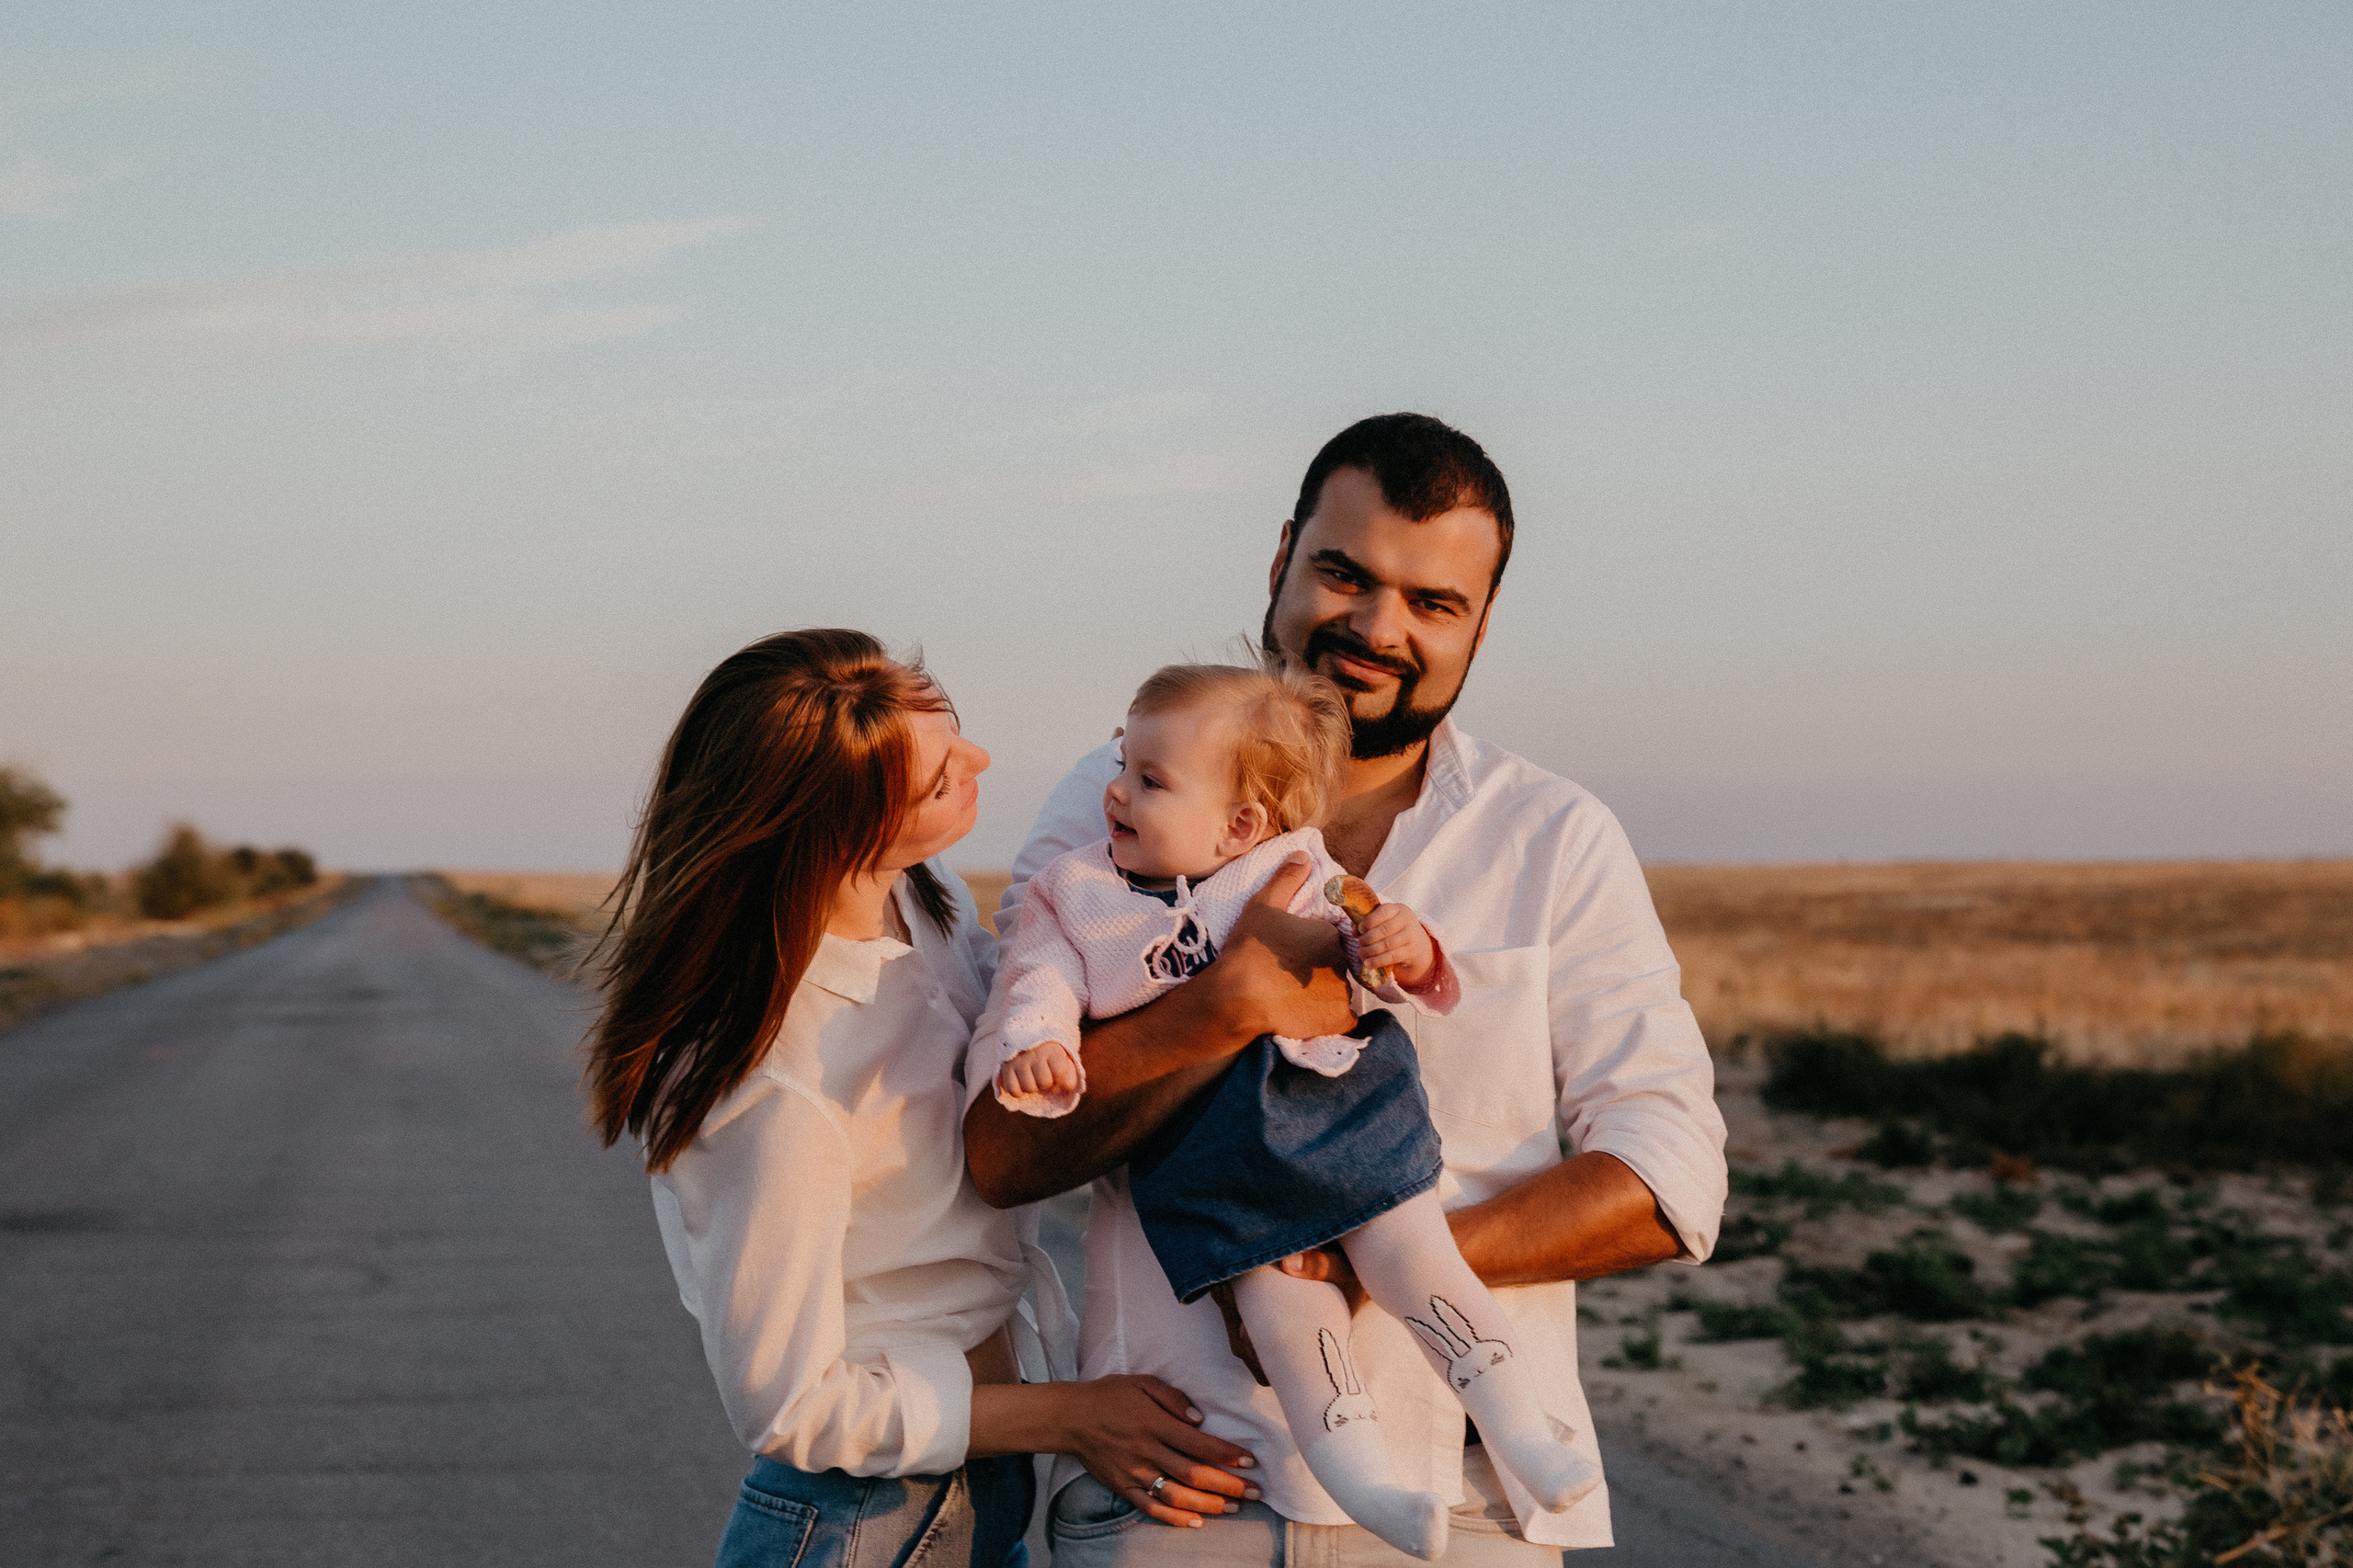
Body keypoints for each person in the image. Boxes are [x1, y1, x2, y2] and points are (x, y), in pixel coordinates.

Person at [964, 415, 1730, 1563]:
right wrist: (1225, 1005)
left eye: (1434, 602)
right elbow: (1002, 1151)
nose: (1379, 628)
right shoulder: (1112, 800)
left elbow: (1667, 1180)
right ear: (1280, 558)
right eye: (1344, 573)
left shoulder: (1553, 836)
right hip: (1174, 1487)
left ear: (1481, 620)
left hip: (1465, 1500)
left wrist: (1356, 1256)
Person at [582, 630, 1269, 1568]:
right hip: (862, 1523)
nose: (981, 762)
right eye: (943, 776)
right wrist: (1069, 1416)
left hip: (969, 1499)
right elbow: (790, 1407)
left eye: (958, 735)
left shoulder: (921, 893)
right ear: (840, 825)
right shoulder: (777, 1078)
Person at [986, 659, 1597, 1560]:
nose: (1112, 793)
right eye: (1123, 764)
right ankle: (1367, 1481)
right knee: (1282, 1315)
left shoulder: (1291, 863)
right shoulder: (1074, 891)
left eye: (1148, 781)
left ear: (1240, 822)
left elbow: (1374, 942)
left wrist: (1400, 941)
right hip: (1209, 1154)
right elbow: (1036, 977)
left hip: (1336, 1109)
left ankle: (1528, 1435)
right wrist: (1036, 1041)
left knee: (1422, 1263)